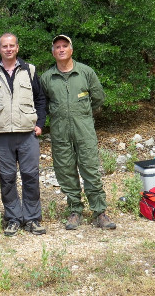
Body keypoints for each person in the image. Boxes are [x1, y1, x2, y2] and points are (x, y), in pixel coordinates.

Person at [39, 35, 116, 230]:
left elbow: (98, 97)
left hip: (84, 131)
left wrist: (84, 116)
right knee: (65, 171)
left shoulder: (85, 72)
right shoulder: (47, 78)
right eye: (57, 47)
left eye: (65, 46)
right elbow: (43, 104)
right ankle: (75, 210)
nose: (61, 49)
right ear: (53, 52)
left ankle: (100, 212)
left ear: (71, 50)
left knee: (90, 169)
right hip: (60, 132)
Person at [0, 32, 47, 236]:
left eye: (12, 45)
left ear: (17, 48)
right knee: (7, 178)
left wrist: (40, 124)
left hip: (28, 134)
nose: (8, 49)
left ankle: (32, 219)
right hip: (2, 136)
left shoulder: (29, 70)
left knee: (31, 177)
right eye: (4, 46)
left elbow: (40, 99)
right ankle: (12, 219)